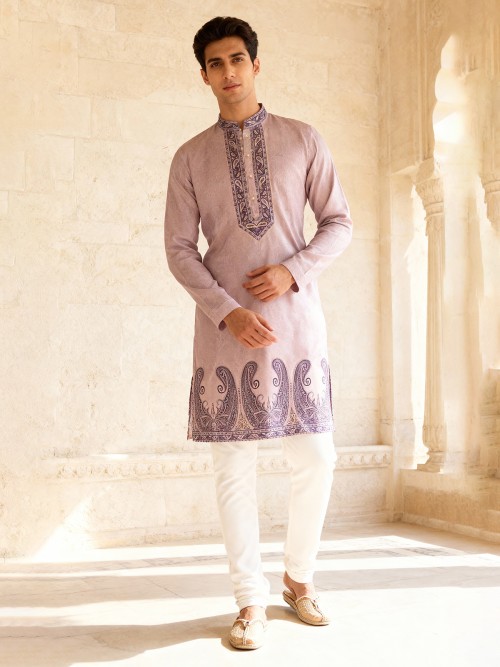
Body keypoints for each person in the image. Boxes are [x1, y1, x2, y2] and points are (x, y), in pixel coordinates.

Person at [164, 16, 353, 650]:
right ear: (204, 75)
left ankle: (298, 579)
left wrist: (293, 270)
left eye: (237, 59)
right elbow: (179, 250)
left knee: (316, 458)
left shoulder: (302, 139)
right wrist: (228, 311)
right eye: (215, 63)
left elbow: (338, 222)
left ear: (256, 64)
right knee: (233, 469)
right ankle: (249, 600)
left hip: (295, 324)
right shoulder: (190, 157)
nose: (228, 72)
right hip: (225, 332)